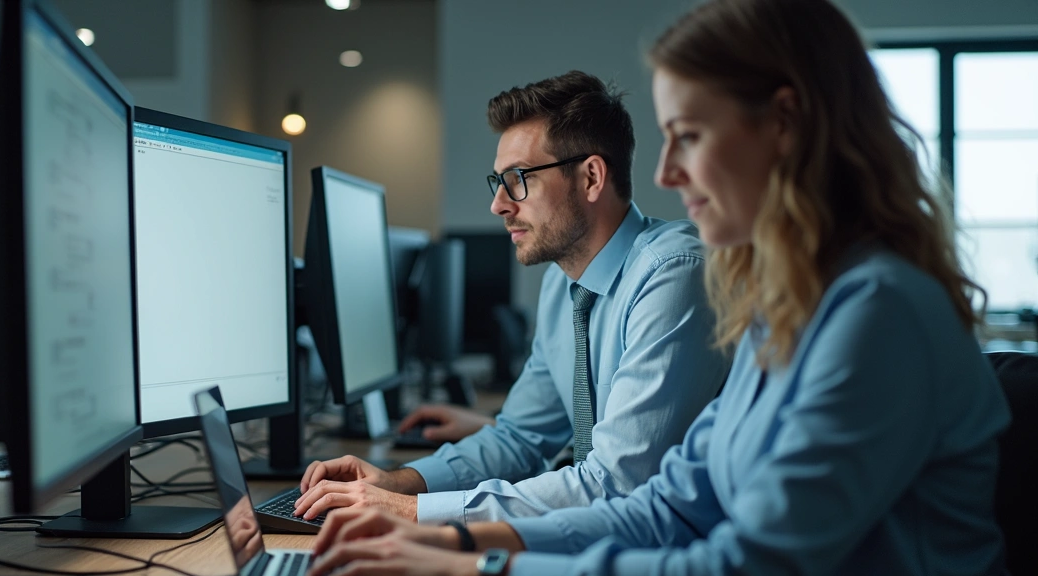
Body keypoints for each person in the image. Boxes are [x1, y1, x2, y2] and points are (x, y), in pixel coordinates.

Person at [301, 0, 1018, 576]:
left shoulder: (877, 314)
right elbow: (668, 510)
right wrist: (450, 542)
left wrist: (480, 572)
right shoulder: (781, 310)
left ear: (786, 126)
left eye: (690, 136)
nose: (668, 173)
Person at [293, 71, 731, 524]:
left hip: (680, 570)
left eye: (518, 178)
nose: (499, 204)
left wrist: (409, 511)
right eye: (498, 181)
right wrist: (398, 482)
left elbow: (615, 484)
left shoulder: (674, 276)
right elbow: (520, 438)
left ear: (591, 177)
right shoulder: (565, 285)